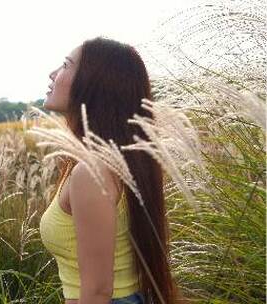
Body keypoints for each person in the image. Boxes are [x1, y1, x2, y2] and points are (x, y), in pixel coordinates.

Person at [39, 37, 181, 304]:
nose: (53, 74)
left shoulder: (92, 172)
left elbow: (97, 291)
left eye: (66, 65)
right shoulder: (121, 159)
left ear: (94, 84)